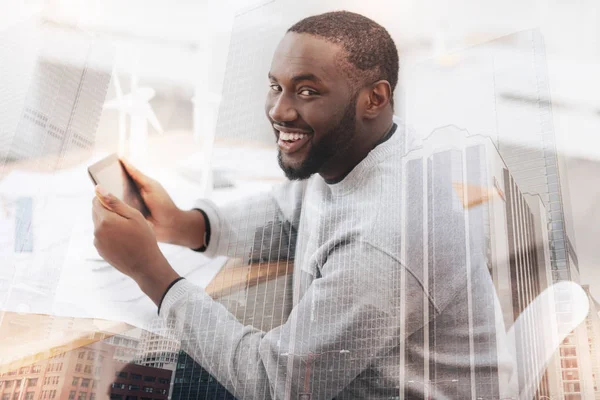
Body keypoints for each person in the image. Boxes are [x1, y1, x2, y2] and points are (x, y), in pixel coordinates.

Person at [92, 11, 514, 399]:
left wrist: (150, 273)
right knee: (144, 379)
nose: (279, 110)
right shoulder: (370, 149)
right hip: (342, 382)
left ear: (374, 99)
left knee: (141, 388)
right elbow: (289, 213)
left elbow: (277, 385)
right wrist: (185, 225)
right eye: (276, 86)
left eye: (307, 91)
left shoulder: (384, 238)